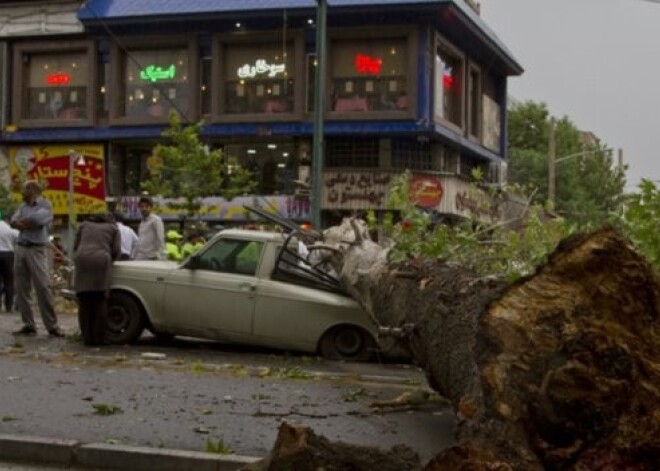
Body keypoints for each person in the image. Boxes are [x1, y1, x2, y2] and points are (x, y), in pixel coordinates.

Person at [10, 180, 65, 337]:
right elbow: (13, 221)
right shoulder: (22, 206)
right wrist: (25, 223)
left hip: (36, 249)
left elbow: (38, 220)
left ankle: (52, 326)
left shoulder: (45, 205)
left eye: (25, 189)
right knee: (21, 288)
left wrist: (24, 222)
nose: (22, 192)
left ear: (32, 189)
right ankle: (28, 324)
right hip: (21, 247)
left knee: (42, 286)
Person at [73, 212, 121, 346]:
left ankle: (86, 338)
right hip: (101, 259)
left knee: (84, 300)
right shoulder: (113, 228)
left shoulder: (84, 225)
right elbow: (116, 250)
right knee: (99, 299)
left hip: (82, 259)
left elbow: (76, 245)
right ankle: (98, 338)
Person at [134, 196, 165, 261]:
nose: (144, 208)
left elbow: (160, 238)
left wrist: (161, 257)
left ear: (151, 207)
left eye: (146, 206)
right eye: (142, 207)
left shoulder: (156, 220)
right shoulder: (141, 222)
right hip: (140, 256)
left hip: (151, 257)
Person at [0, 212, 19, 312]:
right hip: (7, 255)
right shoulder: (9, 229)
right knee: (8, 281)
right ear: (8, 220)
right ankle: (8, 307)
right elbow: (19, 237)